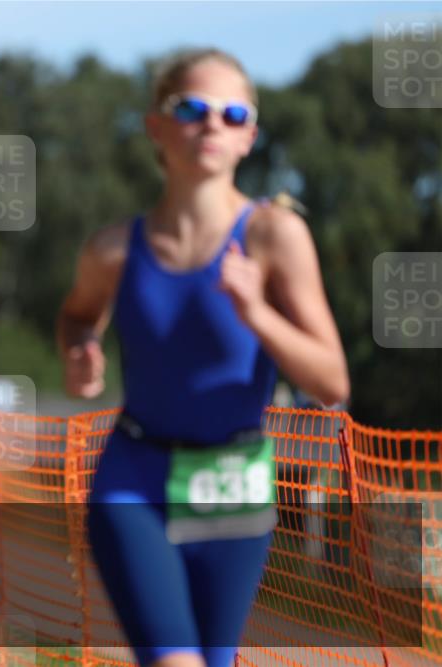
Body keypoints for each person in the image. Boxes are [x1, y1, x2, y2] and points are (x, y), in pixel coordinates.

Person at [58, 49, 349, 667]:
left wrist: (258, 314)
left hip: (233, 482)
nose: (211, 124)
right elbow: (79, 314)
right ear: (156, 128)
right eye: (190, 108)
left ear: (249, 136)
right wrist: (80, 348)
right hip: (133, 481)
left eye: (232, 112)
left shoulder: (274, 235)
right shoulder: (112, 248)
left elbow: (330, 380)